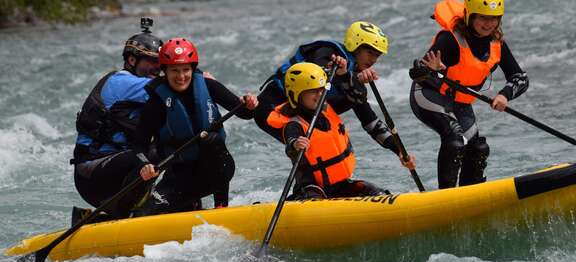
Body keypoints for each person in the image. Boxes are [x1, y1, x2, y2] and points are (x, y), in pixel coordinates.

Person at [255, 21, 413, 166]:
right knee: (311, 147)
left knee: (355, 96)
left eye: (377, 56)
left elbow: (370, 122)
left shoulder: (353, 83)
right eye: (370, 52)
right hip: (270, 108)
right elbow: (319, 81)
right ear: (355, 45)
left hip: (299, 115)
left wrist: (400, 151)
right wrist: (350, 77)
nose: (373, 60)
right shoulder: (327, 53)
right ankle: (307, 190)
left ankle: (331, 188)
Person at [409, 0, 529, 189]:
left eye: (494, 18)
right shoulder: (450, 40)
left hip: (459, 102)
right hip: (428, 94)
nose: (489, 23)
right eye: (483, 17)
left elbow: (520, 77)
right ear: (470, 16)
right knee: (455, 140)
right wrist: (431, 71)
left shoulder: (497, 44)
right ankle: (446, 197)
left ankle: (470, 194)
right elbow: (416, 74)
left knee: (478, 149)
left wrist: (505, 95)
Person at [133, 38, 258, 214]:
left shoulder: (207, 85)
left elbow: (245, 113)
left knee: (211, 139)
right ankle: (190, 205)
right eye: (174, 70)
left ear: (192, 69)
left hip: (217, 169)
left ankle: (221, 207)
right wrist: (144, 165)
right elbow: (138, 144)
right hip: (181, 176)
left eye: (185, 70)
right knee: (145, 214)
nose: (181, 76)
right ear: (165, 71)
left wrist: (250, 104)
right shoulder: (156, 103)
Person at [267, 62, 412, 200]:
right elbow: (291, 145)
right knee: (315, 197)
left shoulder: (328, 109)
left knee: (373, 190)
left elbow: (356, 97)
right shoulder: (294, 124)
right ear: (296, 95)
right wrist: (295, 145)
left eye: (321, 89)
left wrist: (346, 75)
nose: (319, 95)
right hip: (311, 189)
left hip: (340, 185)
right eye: (312, 91)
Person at [71, 18, 163, 221]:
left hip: (118, 169)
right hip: (92, 173)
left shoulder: (143, 85)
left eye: (160, 63)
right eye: (152, 61)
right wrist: (198, 76)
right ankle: (123, 214)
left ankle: (171, 203)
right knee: (154, 153)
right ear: (132, 60)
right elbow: (170, 88)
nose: (158, 67)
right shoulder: (122, 82)